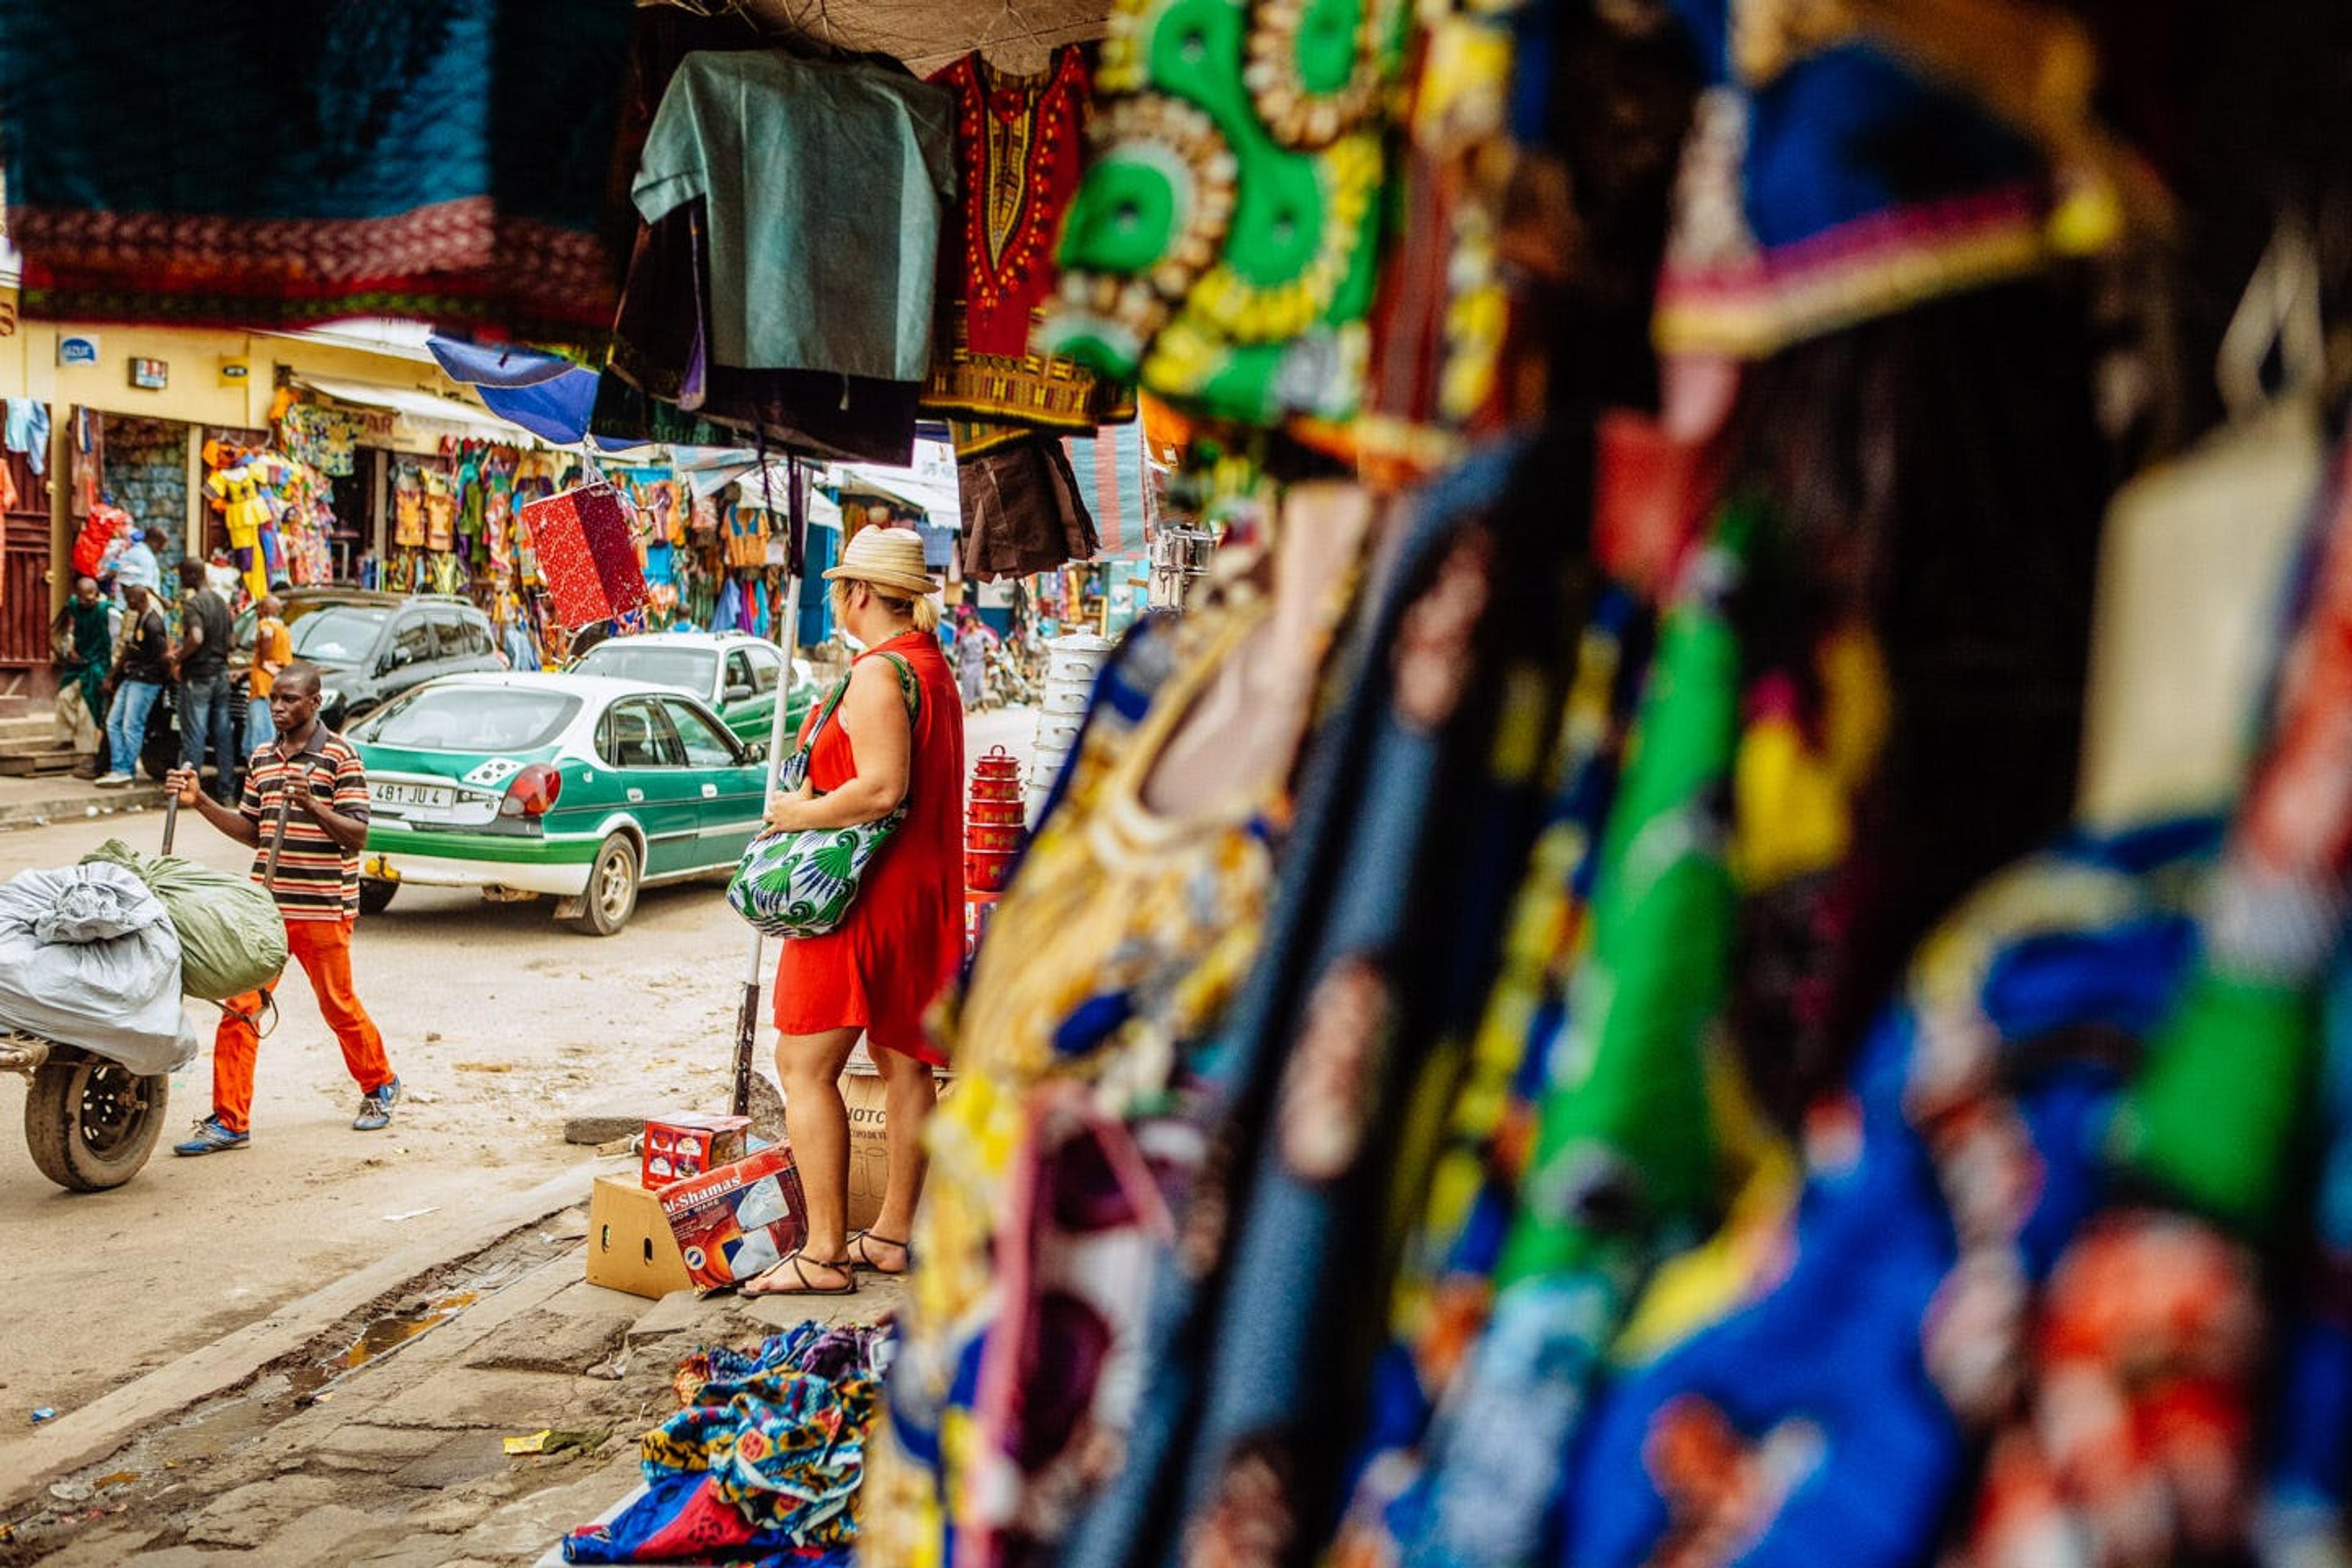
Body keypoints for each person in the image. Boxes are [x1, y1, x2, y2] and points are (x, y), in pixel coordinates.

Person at [745, 527, 964, 1297]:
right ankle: (895, 1235)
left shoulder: (879, 673)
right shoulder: (932, 669)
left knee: (803, 1064)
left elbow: (880, 789)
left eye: (841, 587)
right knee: (910, 1062)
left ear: (859, 593)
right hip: (920, 894)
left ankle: (826, 1252)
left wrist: (796, 813)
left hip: (857, 897)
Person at [167, 662, 401, 1154]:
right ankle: (231, 1120)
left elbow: (358, 836)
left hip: (323, 907)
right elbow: (254, 830)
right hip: (266, 909)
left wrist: (314, 805)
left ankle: (380, 1085)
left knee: (337, 1007)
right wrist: (201, 801)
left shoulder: (340, 756)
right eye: (274, 699)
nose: (278, 707)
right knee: (240, 1008)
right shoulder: (263, 757)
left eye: (290, 699)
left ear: (315, 703)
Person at [173, 557, 238, 804]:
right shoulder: (221, 602)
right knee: (223, 735)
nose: (180, 580)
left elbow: (196, 637)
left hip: (198, 676)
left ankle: (191, 793)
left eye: (182, 575)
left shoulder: (194, 604)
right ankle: (227, 792)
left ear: (190, 575)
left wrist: (177, 658)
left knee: (194, 734)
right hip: (221, 674)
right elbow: (232, 641)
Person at [95, 582, 168, 788]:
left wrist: (161, 679)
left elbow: (163, 656)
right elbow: (130, 649)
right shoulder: (140, 619)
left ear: (138, 600)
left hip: (146, 681)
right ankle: (119, 767)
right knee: (113, 722)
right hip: (133, 676)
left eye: (130, 600)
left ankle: (127, 770)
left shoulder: (153, 624)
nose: (128, 604)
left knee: (131, 725)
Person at [51, 575, 111, 779]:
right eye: (86, 598)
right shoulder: (74, 606)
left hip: (99, 663)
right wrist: (70, 647)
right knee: (65, 695)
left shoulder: (105, 611)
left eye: (93, 596)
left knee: (88, 706)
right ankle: (65, 737)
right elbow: (65, 627)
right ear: (78, 596)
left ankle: (88, 751)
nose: (90, 601)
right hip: (80, 661)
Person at [248, 589, 293, 751]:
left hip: (263, 688)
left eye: (259, 608)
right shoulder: (284, 629)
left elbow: (267, 635)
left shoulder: (265, 624)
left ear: (263, 610)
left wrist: (265, 661)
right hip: (276, 685)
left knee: (261, 739)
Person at [115, 526, 164, 600]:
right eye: (161, 545)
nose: (161, 549)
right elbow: (146, 588)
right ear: (152, 540)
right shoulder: (145, 557)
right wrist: (163, 601)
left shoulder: (134, 552)